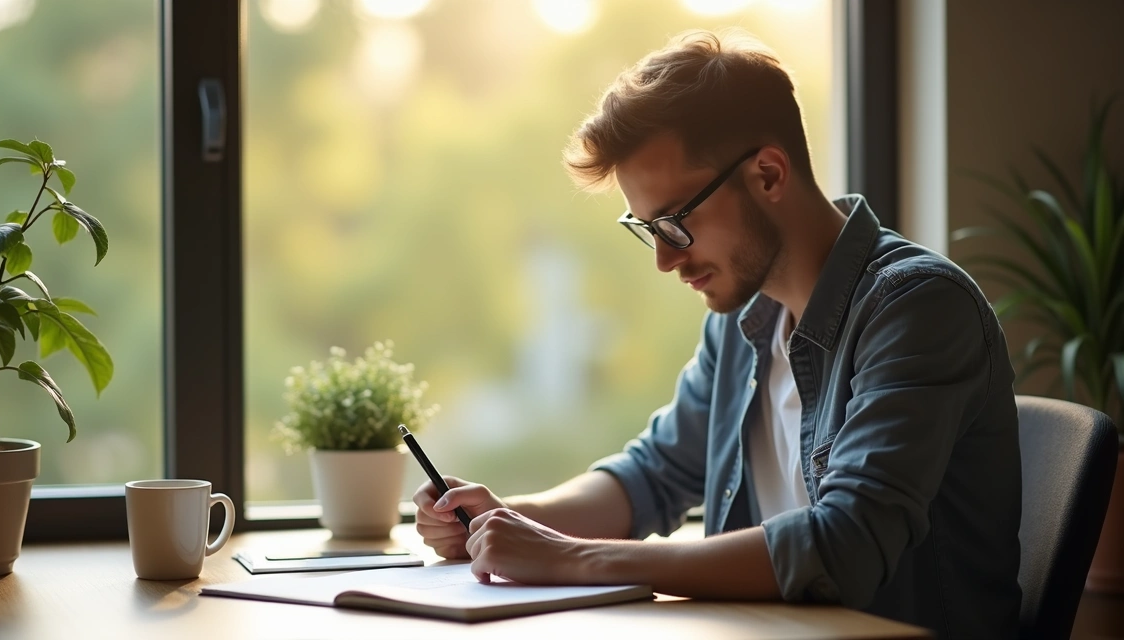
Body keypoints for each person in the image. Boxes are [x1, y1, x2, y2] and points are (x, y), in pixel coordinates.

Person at [412, 28, 1021, 638]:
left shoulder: (917, 308)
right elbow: (652, 475)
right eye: (647, 227)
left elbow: (845, 544)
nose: (664, 259)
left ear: (768, 175)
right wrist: (508, 520)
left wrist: (568, 559)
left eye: (675, 221)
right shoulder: (742, 324)